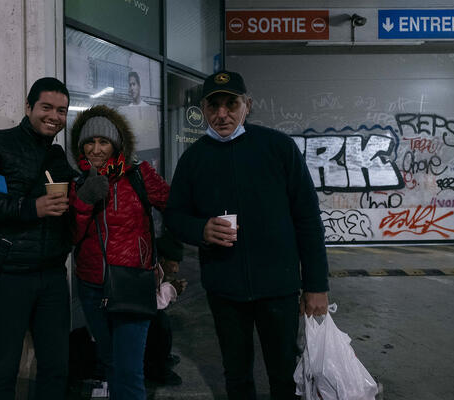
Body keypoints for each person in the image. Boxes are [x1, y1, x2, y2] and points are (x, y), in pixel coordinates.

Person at [164, 70, 329, 400]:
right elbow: (174, 216)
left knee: (285, 373)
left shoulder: (278, 148)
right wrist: (201, 229)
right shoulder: (193, 159)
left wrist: (316, 285)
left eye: (231, 104)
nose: (222, 114)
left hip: (278, 286)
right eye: (213, 106)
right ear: (202, 110)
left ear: (247, 105)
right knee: (236, 375)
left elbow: (308, 219)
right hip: (225, 290)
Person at [0, 77, 76, 399]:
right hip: (8, 274)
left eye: (61, 111)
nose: (54, 116)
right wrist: (28, 207)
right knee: (3, 369)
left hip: (52, 275)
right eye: (46, 107)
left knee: (55, 368)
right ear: (28, 107)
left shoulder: (58, 157)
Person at [69, 105, 170, 399]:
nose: (96, 149)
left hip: (131, 283)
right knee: (110, 362)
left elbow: (174, 207)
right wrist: (85, 200)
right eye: (90, 142)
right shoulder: (76, 183)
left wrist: (168, 254)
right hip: (91, 286)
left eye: (104, 141)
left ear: (117, 144)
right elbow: (71, 236)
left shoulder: (139, 175)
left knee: (129, 370)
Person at [144, 230, 187, 386]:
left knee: (163, 320)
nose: (176, 270)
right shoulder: (150, 270)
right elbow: (150, 304)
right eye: (174, 264)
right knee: (160, 322)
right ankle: (156, 369)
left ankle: (162, 357)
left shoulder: (158, 268)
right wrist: (171, 290)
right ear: (162, 260)